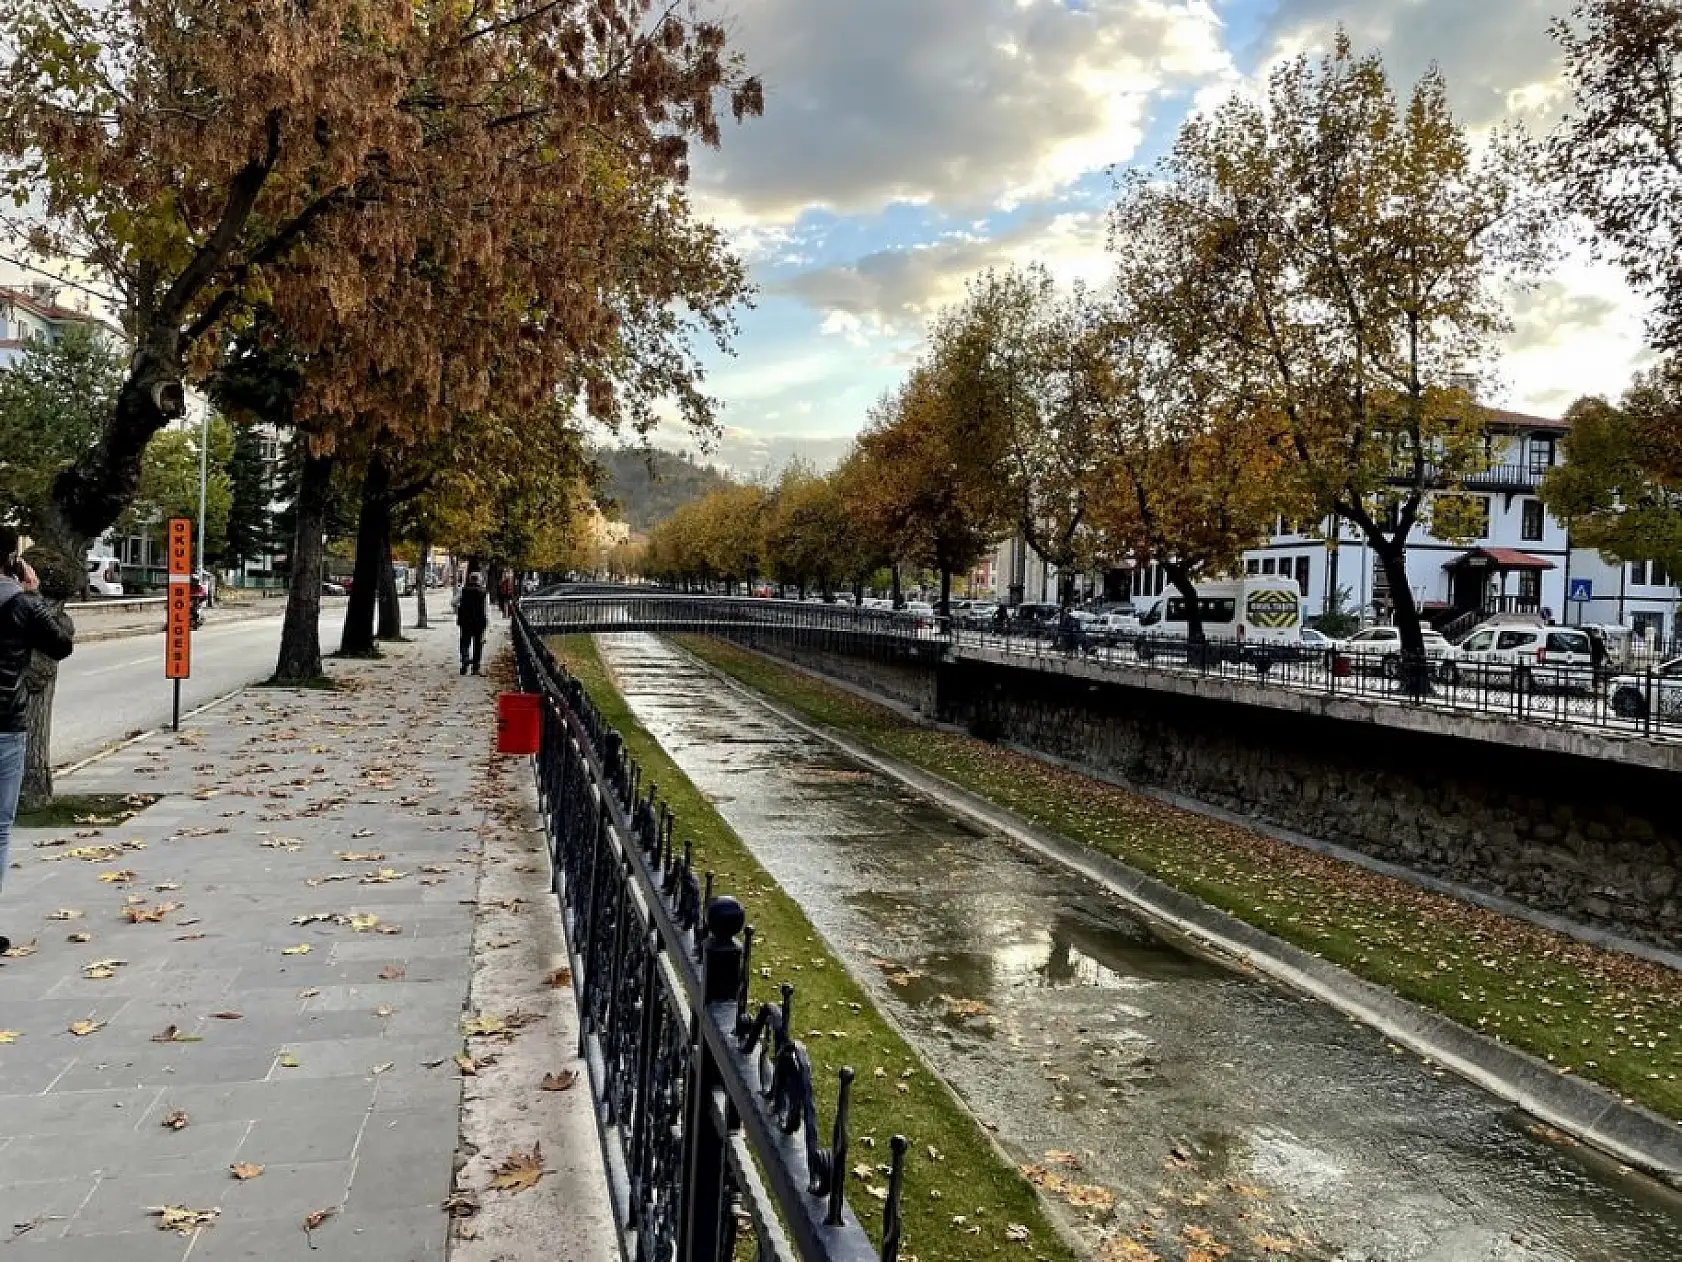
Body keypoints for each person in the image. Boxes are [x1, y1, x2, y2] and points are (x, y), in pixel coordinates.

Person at [0, 528, 74, 953]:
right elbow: (61, 644)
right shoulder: (23, 604)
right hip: (4, 723)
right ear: (12, 559)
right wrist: (34, 593)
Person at [457, 572, 489, 676]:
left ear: (470, 579)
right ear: (479, 580)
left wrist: (460, 607)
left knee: (465, 642)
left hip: (465, 621)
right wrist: (487, 622)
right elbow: (487, 610)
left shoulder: (463, 590)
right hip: (479, 622)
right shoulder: (484, 592)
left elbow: (453, 602)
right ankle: (475, 668)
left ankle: (465, 658)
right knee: (478, 645)